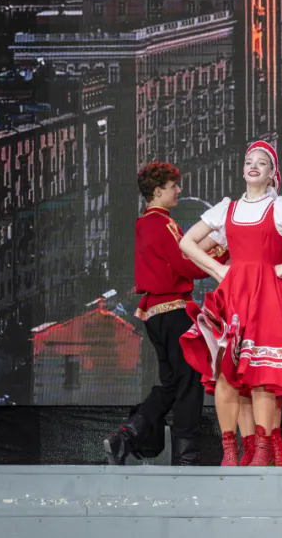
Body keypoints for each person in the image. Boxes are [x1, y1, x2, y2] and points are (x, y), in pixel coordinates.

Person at [178, 141, 282, 467]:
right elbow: (187, 242)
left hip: (267, 298)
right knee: (228, 374)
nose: (254, 166)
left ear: (272, 173)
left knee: (261, 373)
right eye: (249, 161)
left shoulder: (279, 208)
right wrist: (219, 270)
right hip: (234, 296)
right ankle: (233, 449)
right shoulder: (227, 209)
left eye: (261, 163)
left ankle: (264, 446)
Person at [104, 162, 230, 466]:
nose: (178, 190)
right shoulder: (162, 223)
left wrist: (218, 242)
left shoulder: (149, 223)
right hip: (174, 311)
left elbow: (184, 254)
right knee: (189, 381)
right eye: (173, 186)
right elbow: (187, 262)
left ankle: (128, 435)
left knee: (173, 383)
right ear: (158, 191)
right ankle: (186, 457)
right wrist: (223, 251)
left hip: (157, 315)